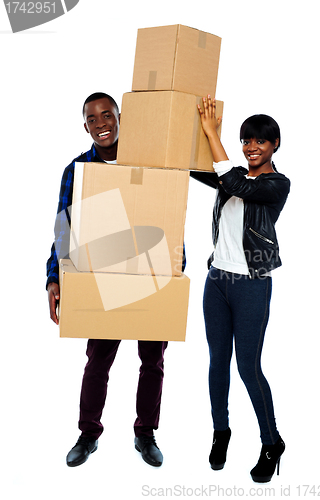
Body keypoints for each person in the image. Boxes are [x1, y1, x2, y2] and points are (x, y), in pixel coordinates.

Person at [46, 92, 167, 468]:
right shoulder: (78, 169)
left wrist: (174, 266)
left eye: (107, 115)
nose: (101, 124)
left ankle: (145, 434)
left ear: (120, 117)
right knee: (97, 361)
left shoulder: (148, 160)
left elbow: (169, 208)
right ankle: (88, 434)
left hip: (151, 270)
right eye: (92, 118)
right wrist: (54, 278)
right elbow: (63, 229)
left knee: (153, 361)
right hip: (102, 275)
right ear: (86, 125)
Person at [191, 95, 290, 483]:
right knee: (218, 363)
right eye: (246, 140)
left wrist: (211, 132)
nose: (251, 147)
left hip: (251, 284)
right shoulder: (231, 175)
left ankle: (271, 442)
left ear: (274, 145)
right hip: (216, 281)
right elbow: (198, 168)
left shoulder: (275, 184)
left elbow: (232, 182)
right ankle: (221, 431)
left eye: (259, 141)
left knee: (248, 367)